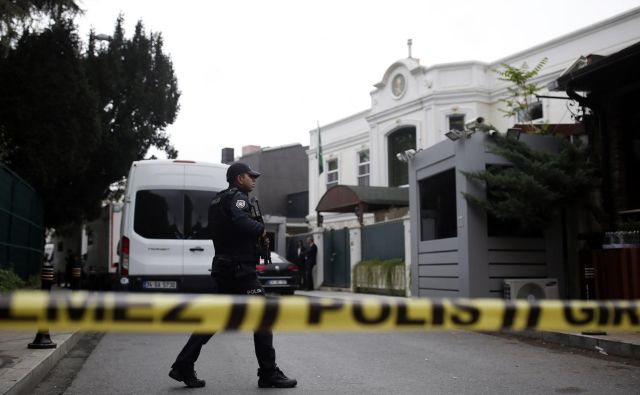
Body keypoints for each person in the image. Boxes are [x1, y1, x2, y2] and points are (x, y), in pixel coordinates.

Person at [169, 162, 297, 389]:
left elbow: (224, 229)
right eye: (251, 176)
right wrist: (260, 231)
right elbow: (240, 221)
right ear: (239, 178)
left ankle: (183, 365)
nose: (254, 180)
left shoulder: (218, 199)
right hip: (240, 270)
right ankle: (268, 373)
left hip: (224, 267)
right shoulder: (239, 198)